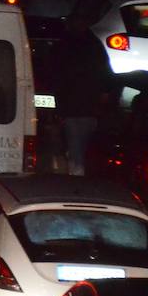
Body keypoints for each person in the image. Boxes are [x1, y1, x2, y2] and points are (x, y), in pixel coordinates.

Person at [51, 11, 118, 175]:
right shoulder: (92, 45)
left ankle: (77, 173)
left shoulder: (70, 45)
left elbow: (56, 75)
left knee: (77, 146)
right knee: (79, 145)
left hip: (78, 107)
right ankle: (78, 172)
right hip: (83, 107)